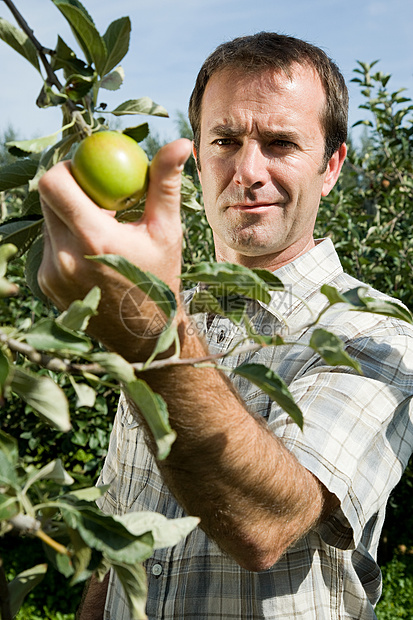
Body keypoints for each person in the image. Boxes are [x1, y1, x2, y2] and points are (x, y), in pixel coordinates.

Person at [38, 32, 413, 620]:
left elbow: (267, 526)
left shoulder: (375, 332)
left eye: (281, 142)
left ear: (332, 165)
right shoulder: (174, 310)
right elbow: (125, 543)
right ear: (197, 156)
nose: (248, 171)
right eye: (225, 140)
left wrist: (148, 329)